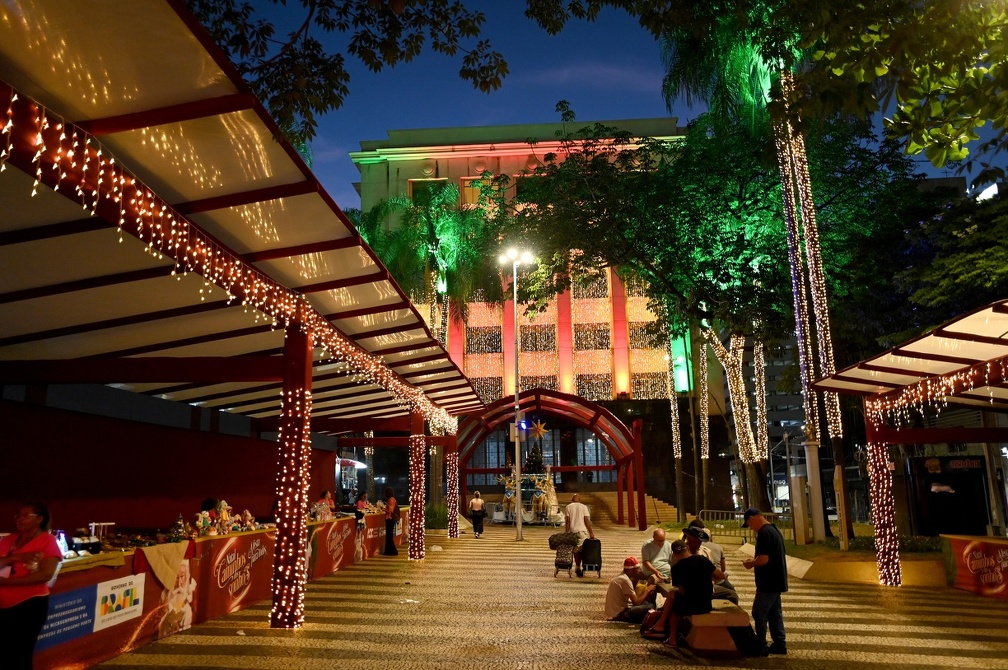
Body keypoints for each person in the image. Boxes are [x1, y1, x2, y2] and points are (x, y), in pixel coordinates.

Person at [0, 502, 64, 669]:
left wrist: (7, 583)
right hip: (3, 604)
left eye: (25, 515)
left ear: (39, 519)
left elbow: (45, 575)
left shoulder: (47, 541)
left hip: (29, 606)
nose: (19, 519)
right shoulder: (9, 539)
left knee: (20, 654)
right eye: (18, 515)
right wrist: (13, 558)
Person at [642, 526, 727, 646]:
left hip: (691, 606)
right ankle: (661, 626)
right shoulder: (702, 560)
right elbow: (721, 575)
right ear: (686, 548)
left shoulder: (676, 568)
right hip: (705, 604)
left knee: (675, 604)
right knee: (673, 597)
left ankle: (671, 637)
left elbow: (681, 592)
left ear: (675, 555)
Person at [742, 507, 788, 655]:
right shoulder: (774, 530)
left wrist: (751, 563)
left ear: (752, 519)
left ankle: (760, 645)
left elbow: (763, 559)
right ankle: (780, 644)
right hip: (777, 578)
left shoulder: (763, 533)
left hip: (768, 581)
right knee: (774, 613)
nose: (750, 528)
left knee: (759, 612)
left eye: (749, 525)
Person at [686, 520, 738, 604]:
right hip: (698, 588)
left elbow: (716, 572)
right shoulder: (698, 556)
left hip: (707, 584)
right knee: (732, 594)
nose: (698, 544)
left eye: (700, 541)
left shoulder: (704, 551)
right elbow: (720, 574)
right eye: (696, 541)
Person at [604, 556, 656, 623]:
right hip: (620, 614)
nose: (639, 571)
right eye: (637, 569)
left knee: (647, 603)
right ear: (631, 570)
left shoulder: (621, 576)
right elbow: (636, 603)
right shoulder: (625, 580)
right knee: (650, 606)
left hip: (614, 612)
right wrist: (647, 590)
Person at [564, 493, 594, 577]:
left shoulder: (568, 507)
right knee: (581, 550)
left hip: (572, 532)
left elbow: (568, 521)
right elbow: (586, 521)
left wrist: (566, 533)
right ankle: (578, 566)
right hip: (582, 532)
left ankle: (577, 566)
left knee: (574, 550)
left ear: (572, 500)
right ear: (579, 500)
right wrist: (591, 532)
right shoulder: (584, 507)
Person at [383, 487, 399, 556]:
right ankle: (388, 551)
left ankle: (393, 551)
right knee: (389, 536)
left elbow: (390, 510)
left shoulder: (391, 500)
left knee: (389, 536)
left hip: (390, 519)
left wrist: (383, 509)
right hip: (390, 519)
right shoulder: (392, 499)